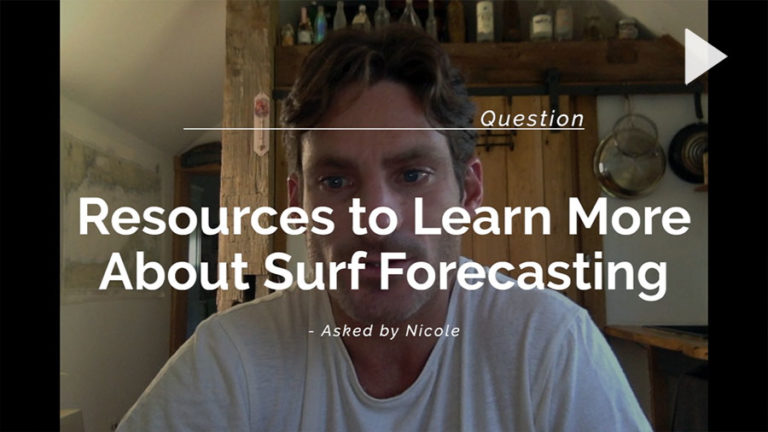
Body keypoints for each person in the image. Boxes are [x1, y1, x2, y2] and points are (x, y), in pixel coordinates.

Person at [117, 25, 651, 431]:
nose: (376, 217)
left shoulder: (551, 347)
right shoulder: (231, 358)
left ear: (468, 192)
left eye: (413, 175)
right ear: (298, 204)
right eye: (335, 181)